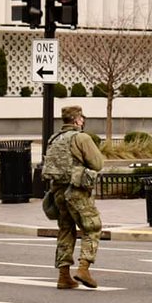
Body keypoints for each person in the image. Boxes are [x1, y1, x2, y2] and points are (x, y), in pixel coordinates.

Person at [41, 105, 106, 290]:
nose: (83, 121)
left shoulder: (53, 138)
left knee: (65, 231)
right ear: (77, 120)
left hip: (58, 192)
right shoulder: (81, 137)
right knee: (92, 227)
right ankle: (84, 268)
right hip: (77, 191)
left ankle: (63, 275)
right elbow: (97, 163)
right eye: (82, 118)